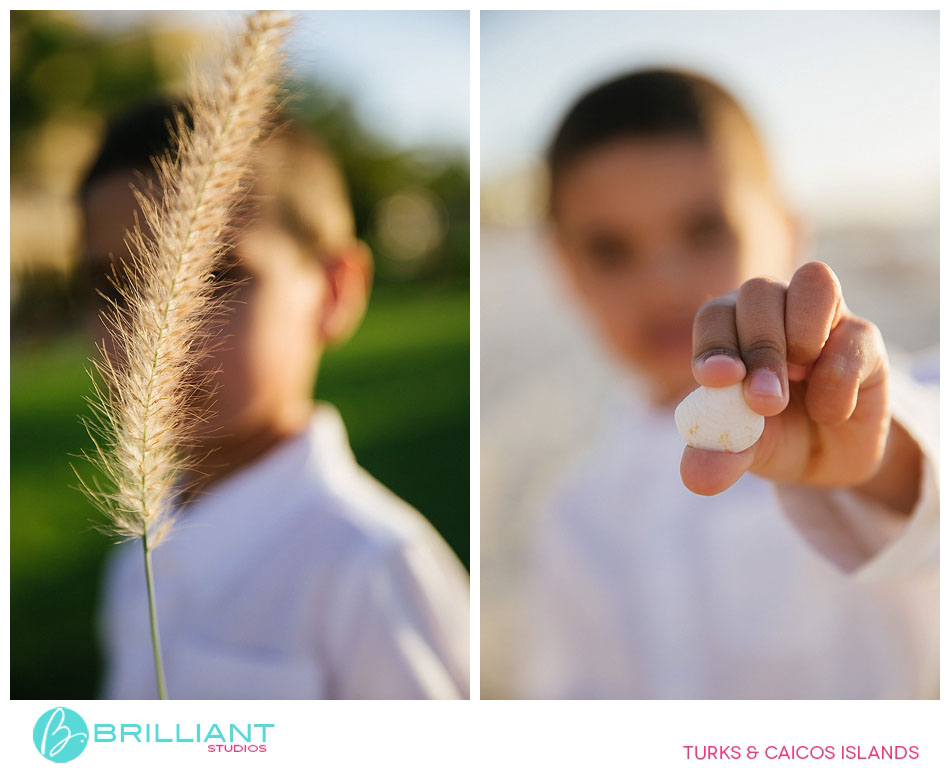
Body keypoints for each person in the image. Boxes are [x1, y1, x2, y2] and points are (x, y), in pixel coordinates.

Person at [515, 69, 938, 698]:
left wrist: (883, 460)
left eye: (705, 230)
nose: (662, 283)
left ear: (788, 229)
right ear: (565, 269)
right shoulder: (574, 514)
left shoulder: (879, 405)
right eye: (610, 249)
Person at [78, 100, 469, 699]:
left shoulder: (372, 568)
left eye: (213, 276)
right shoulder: (140, 549)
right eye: (112, 284)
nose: (153, 329)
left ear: (334, 289)